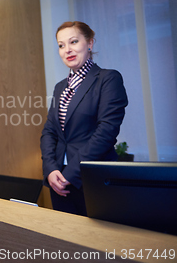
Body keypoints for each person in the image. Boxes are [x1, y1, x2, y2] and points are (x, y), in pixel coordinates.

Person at [40, 21, 128, 216]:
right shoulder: (60, 87)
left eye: (73, 42)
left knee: (98, 243)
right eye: (61, 45)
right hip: (59, 182)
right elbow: (49, 131)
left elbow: (106, 131)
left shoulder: (108, 79)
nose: (67, 50)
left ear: (89, 43)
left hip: (91, 177)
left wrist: (70, 173)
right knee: (66, 241)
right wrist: (50, 169)